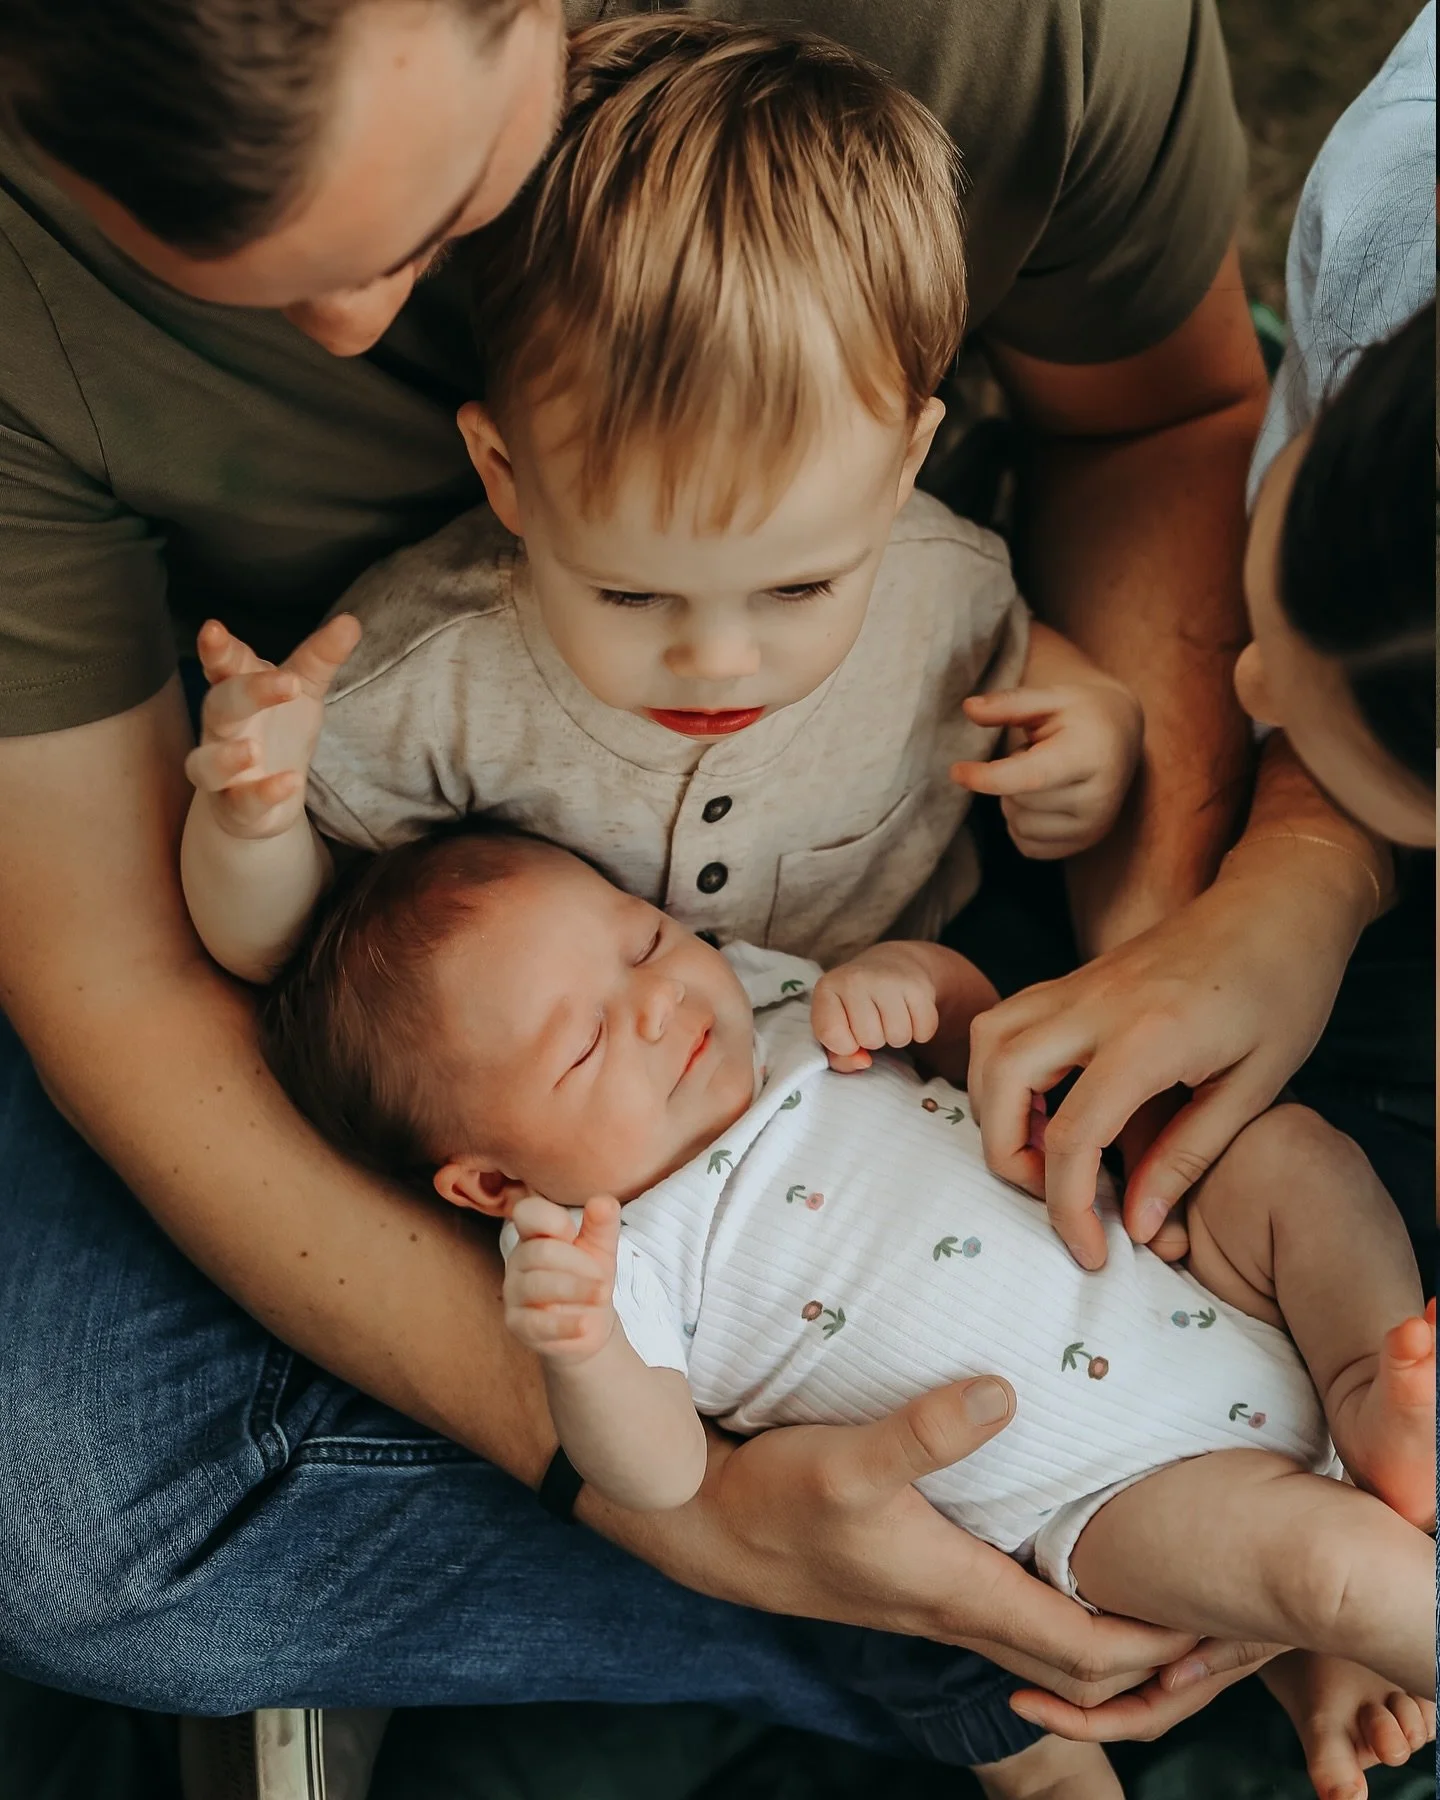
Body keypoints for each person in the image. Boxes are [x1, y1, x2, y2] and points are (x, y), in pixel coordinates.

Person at [0, 0, 1311, 1745]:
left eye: (428, 207)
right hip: (504, 1136)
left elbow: (1155, 432)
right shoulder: (423, 677)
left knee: (1299, 1163)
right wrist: (669, 1501)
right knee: (80, 1531)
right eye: (186, 249)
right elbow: (140, 963)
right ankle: (995, 1644)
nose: (345, 323)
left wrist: (1128, 1013)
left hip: (913, 1012)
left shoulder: (1007, 54)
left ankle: (1184, 1532)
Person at [252, 820, 1435, 1799]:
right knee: (1321, 1571)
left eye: (645, 941)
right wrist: (581, 1352)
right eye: (587, 1045)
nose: (660, 1002)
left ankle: (1368, 1397)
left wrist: (921, 982)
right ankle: (1370, 1604)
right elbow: (662, 1476)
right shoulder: (618, 1259)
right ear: (498, 1183)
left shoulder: (771, 1004)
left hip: (1186, 1266)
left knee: (1290, 1160)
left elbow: (991, 1046)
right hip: (1108, 1492)